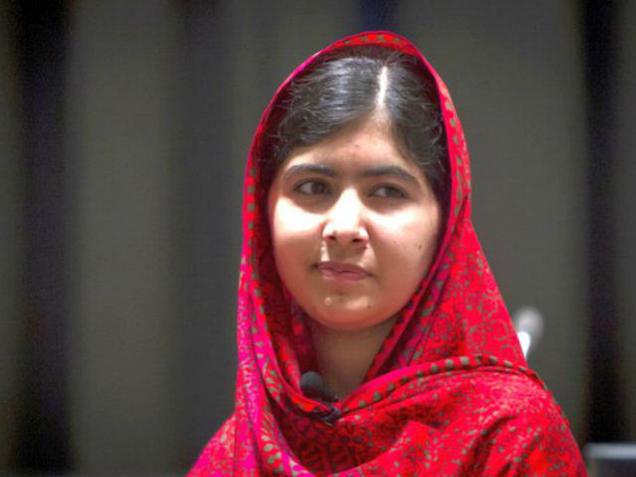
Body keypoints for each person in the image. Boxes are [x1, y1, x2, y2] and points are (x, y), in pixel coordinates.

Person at [188, 31, 585, 476]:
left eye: (386, 192)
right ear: (264, 214)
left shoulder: (508, 437)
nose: (344, 228)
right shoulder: (237, 450)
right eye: (313, 187)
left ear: (445, 223)